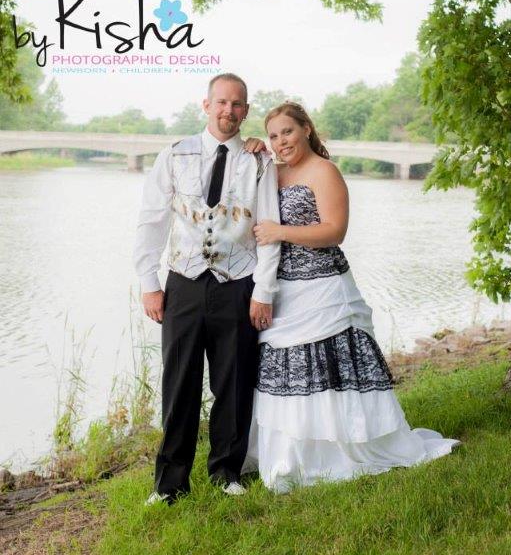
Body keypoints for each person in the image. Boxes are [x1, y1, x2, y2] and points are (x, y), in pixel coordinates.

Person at [243, 102, 460, 493]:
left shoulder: (324, 172)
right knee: (287, 370)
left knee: (327, 369)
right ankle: (291, 455)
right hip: (283, 290)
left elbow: (334, 231)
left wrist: (281, 232)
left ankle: (338, 453)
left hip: (324, 288)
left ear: (306, 129)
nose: (281, 141)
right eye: (274, 135)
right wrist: (256, 147)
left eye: (287, 132)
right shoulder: (270, 171)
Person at [133, 73, 280, 504]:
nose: (228, 111)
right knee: (178, 384)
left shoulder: (260, 162)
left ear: (246, 111)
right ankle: (169, 484)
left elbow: (267, 230)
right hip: (182, 284)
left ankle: (226, 472)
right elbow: (151, 220)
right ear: (205, 104)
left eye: (237, 105)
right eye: (221, 102)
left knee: (233, 383)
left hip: (239, 284)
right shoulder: (174, 154)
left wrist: (263, 291)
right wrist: (149, 283)